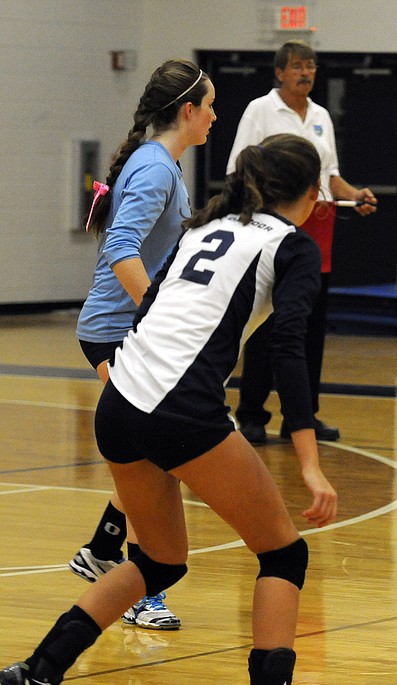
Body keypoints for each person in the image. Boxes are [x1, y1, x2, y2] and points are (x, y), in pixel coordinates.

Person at [1, 134, 338, 685]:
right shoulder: (291, 246)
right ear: (312, 193)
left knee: (158, 560)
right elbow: (289, 348)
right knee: (284, 554)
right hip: (179, 410)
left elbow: (151, 305)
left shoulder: (202, 229)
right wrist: (309, 462)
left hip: (122, 399)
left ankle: (37, 676)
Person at [70, 59, 217, 632]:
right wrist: (161, 315)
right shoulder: (155, 169)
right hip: (115, 331)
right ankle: (135, 588)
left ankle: (102, 552)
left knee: (152, 458)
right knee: (153, 462)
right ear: (187, 110)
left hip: (121, 329)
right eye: (209, 105)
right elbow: (121, 249)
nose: (213, 116)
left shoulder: (159, 165)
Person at [227, 40, 377, 446]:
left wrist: (355, 193)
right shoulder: (260, 110)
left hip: (319, 230)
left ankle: (301, 417)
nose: (305, 72)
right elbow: (238, 169)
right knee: (266, 322)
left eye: (310, 66)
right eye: (297, 66)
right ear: (279, 72)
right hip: (274, 230)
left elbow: (330, 176)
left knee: (310, 326)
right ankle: (252, 413)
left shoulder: (322, 116)